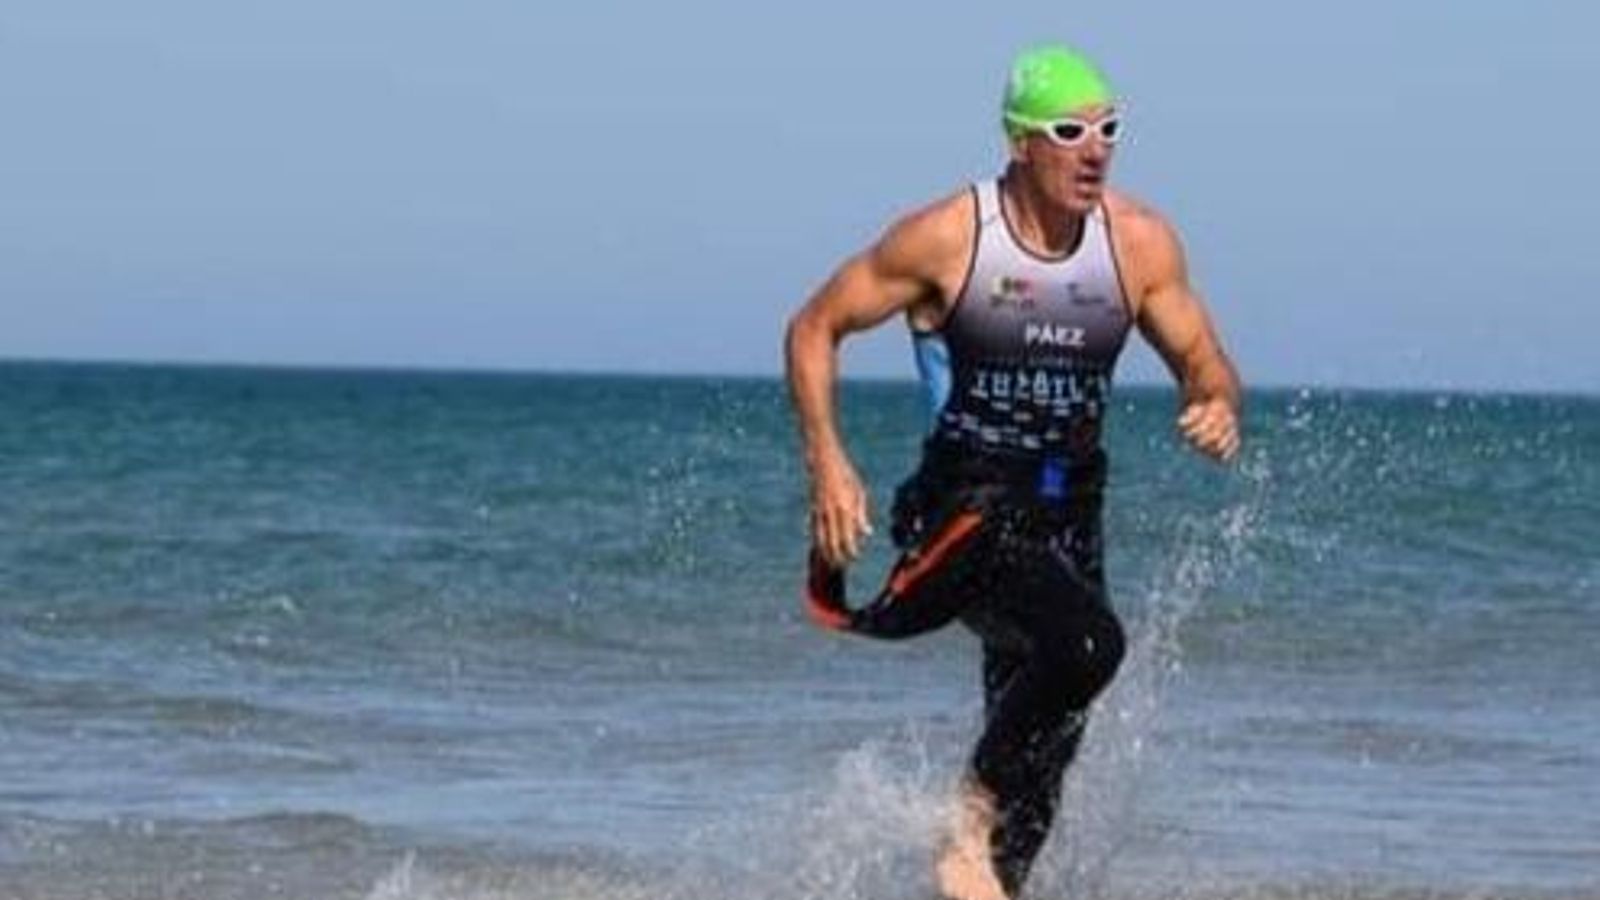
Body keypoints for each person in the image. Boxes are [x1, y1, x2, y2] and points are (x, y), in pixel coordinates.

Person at [783, 46, 1242, 900]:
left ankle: (987, 876)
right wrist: (829, 464)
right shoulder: (952, 238)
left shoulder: (1138, 245)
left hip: (1070, 516)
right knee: (1090, 645)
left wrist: (1215, 403)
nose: (1095, 149)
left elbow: (1205, 363)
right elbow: (814, 326)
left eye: (1109, 129)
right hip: (966, 507)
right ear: (1020, 142)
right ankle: (965, 817)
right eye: (1070, 131)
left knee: (1045, 761)